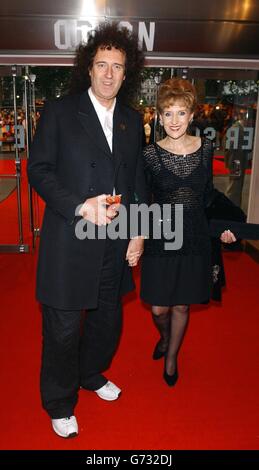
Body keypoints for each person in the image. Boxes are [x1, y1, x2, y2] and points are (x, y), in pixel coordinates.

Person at [28, 22, 147, 438]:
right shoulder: (61, 111)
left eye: (118, 66)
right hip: (69, 239)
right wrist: (80, 206)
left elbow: (135, 183)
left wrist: (138, 232)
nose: (110, 74)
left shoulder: (133, 120)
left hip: (115, 243)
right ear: (89, 68)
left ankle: (90, 373)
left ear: (126, 73)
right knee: (62, 330)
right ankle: (59, 402)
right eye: (102, 65)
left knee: (106, 323)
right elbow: (38, 170)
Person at [139, 78, 237, 387]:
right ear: (158, 116)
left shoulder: (205, 149)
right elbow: (144, 201)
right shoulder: (150, 155)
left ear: (192, 115)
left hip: (194, 236)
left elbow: (208, 195)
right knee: (158, 307)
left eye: (181, 113)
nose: (174, 121)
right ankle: (166, 337)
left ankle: (171, 357)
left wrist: (223, 227)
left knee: (181, 304)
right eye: (168, 113)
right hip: (161, 236)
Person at [224, 112, 250, 207]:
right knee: (234, 186)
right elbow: (229, 148)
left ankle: (234, 207)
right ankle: (230, 207)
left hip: (238, 161)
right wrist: (231, 163)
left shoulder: (241, 128)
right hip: (236, 162)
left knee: (237, 186)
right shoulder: (236, 128)